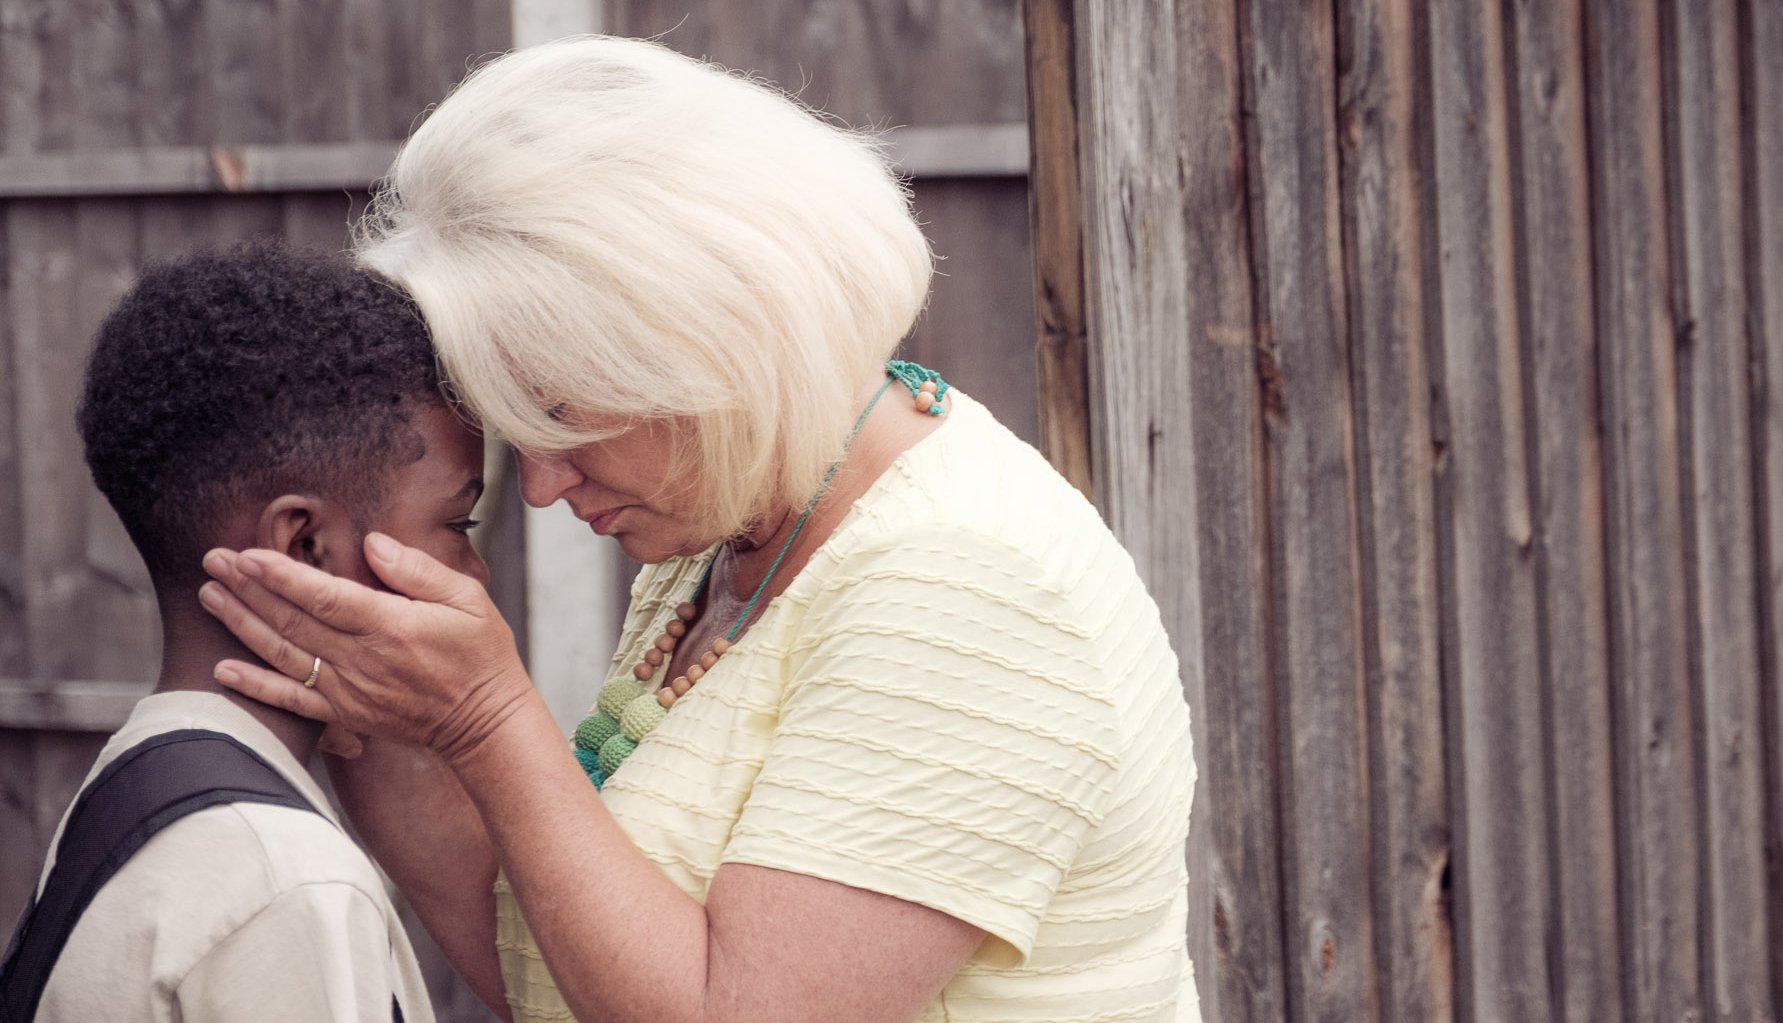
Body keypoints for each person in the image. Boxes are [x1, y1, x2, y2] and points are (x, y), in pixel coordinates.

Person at [197, 36, 1200, 1023]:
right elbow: (567, 975)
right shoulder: (745, 527)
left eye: (564, 418)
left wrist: (487, 722)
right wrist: (381, 711)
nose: (541, 488)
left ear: (705, 341)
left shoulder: (960, 587)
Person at [12, 243, 483, 1021]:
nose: (478, 576)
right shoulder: (287, 882)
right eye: (457, 524)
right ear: (303, 546)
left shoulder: (129, 789)